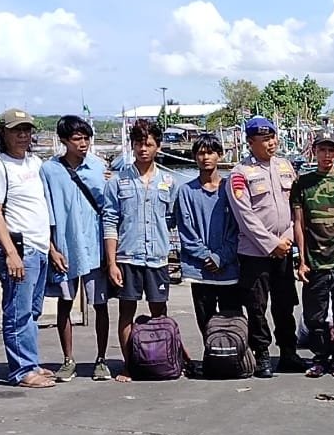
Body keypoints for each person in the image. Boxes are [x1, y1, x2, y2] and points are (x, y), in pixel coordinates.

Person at [0, 109, 55, 388]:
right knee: (17, 312)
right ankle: (22, 370)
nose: (23, 135)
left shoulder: (34, 163)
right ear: (3, 133)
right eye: (16, 130)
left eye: (26, 129)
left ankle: (30, 361)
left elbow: (39, 209)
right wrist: (11, 253)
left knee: (32, 312)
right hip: (20, 249)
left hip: (39, 248)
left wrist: (51, 248)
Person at [103, 119, 180, 383]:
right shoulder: (118, 181)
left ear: (158, 146)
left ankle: (163, 359)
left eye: (148, 144)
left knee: (160, 312)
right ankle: (130, 365)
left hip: (157, 259)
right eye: (138, 144)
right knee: (127, 312)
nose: (143, 149)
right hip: (127, 257)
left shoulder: (169, 182)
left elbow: (172, 219)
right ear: (132, 146)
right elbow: (110, 221)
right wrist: (111, 263)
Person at [227, 116, 304, 378]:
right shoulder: (240, 173)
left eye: (272, 138)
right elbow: (245, 216)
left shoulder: (285, 166)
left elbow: (295, 206)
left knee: (285, 303)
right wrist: (271, 244)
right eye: (265, 140)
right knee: (256, 306)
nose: (271, 143)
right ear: (250, 142)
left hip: (285, 247)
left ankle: (288, 352)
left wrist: (288, 238)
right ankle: (261, 354)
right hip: (255, 252)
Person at [41, 115, 111, 382]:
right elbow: (45, 211)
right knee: (65, 303)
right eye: (77, 139)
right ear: (63, 140)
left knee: (100, 304)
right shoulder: (49, 170)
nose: (83, 144)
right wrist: (52, 248)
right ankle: (68, 359)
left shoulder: (98, 166)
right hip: (66, 247)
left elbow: (109, 208)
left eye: (86, 138)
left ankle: (101, 359)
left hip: (95, 247)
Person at [292, 129, 334, 377]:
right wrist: (301, 261)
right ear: (314, 152)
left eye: (331, 150)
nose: (327, 155)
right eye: (322, 149)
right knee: (315, 317)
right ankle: (320, 357)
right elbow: (298, 223)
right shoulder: (302, 183)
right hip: (315, 262)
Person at [175, 134, 241, 337]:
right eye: (201, 153)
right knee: (206, 325)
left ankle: (235, 355)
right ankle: (211, 354)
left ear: (219, 155)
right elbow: (186, 230)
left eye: (210, 152)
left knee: (233, 324)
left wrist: (221, 257)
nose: (205, 158)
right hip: (199, 272)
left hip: (229, 270)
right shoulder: (186, 191)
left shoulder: (230, 189)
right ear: (194, 157)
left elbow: (238, 228)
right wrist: (206, 256)